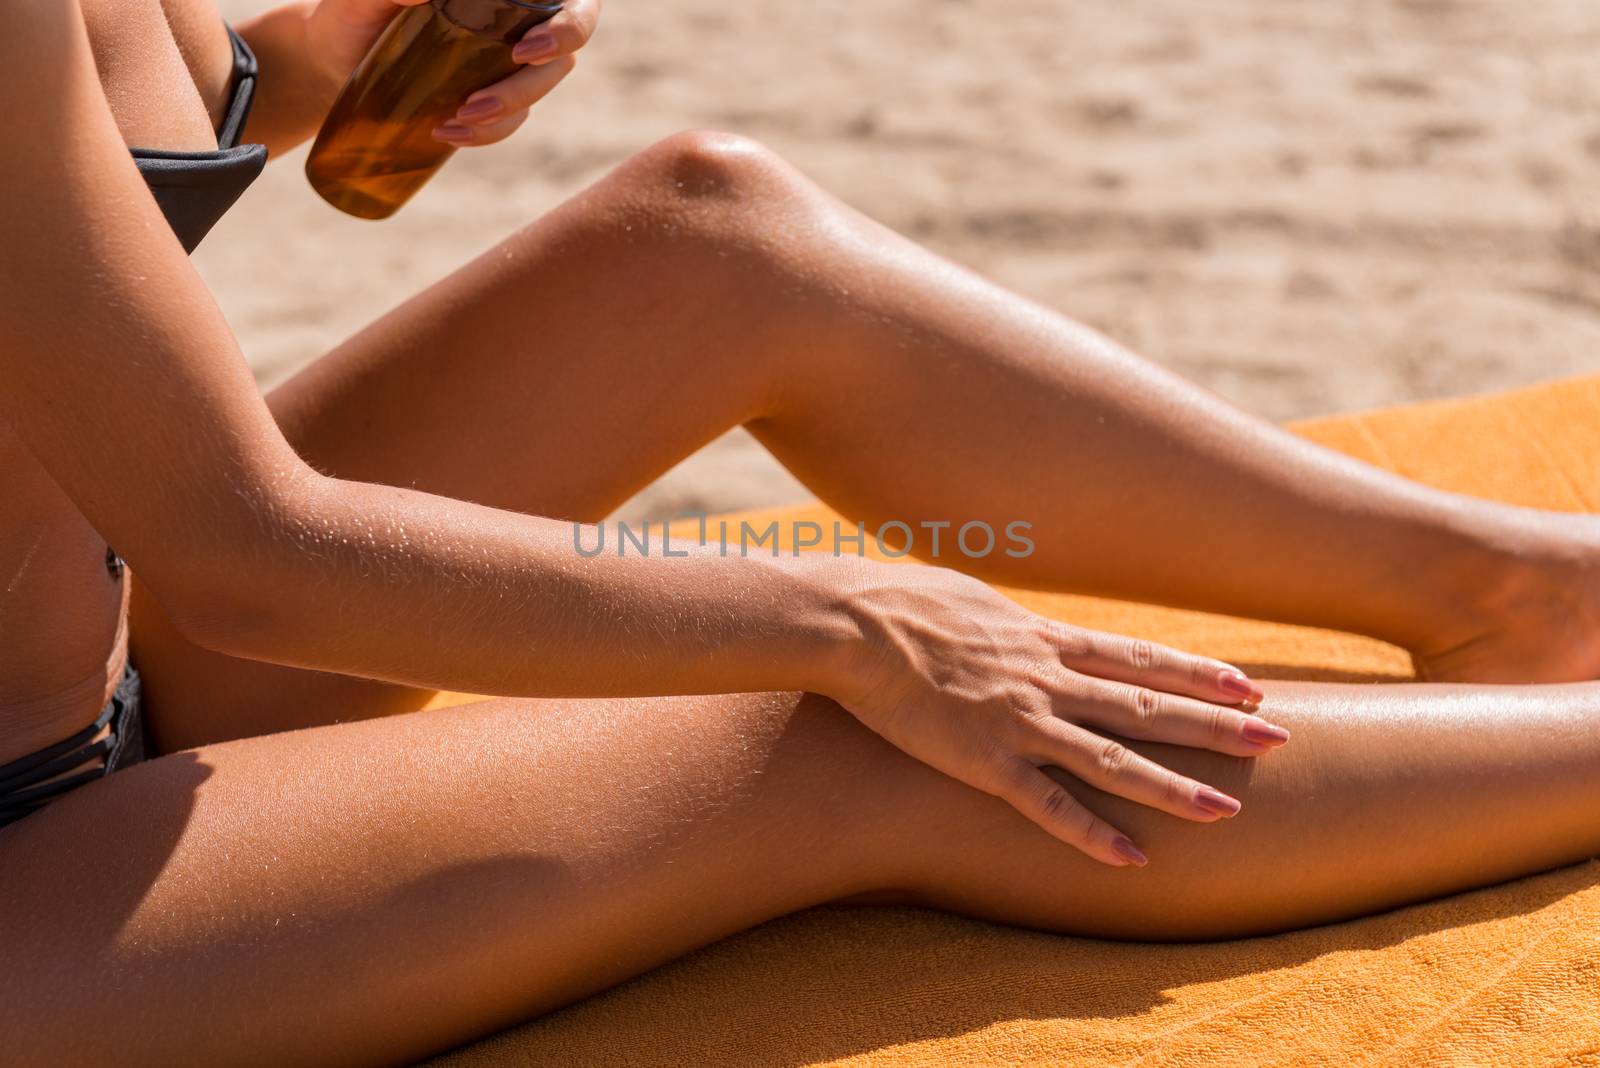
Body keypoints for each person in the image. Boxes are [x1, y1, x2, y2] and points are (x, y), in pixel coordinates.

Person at [2, 0, 1597, 1062]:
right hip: (33, 871)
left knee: (712, 242)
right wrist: (840, 619)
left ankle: (1523, 596)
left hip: (118, 641)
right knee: (861, 727)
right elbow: (257, 558)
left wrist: (313, 71)